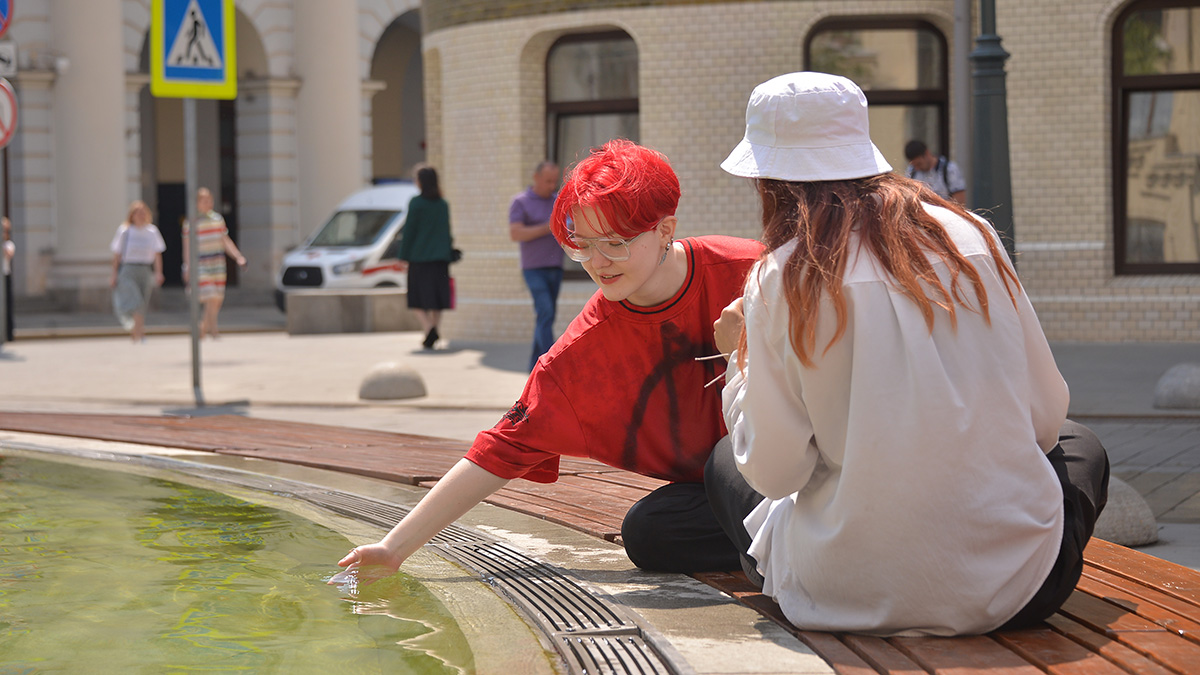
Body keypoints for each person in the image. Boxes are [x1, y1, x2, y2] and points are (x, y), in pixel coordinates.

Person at [708, 72, 1109, 636]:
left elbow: (775, 471)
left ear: (767, 179)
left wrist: (739, 358)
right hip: (1019, 591)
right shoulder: (972, 239)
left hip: (841, 594)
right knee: (1082, 444)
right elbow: (1044, 422)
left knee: (726, 462)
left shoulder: (779, 278)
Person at [337, 140, 763, 582]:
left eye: (615, 243)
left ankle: (787, 557)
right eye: (582, 244)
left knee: (725, 459)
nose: (598, 263)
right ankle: (775, 550)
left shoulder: (751, 272)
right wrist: (392, 548)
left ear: (664, 228)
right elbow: (503, 447)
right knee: (651, 532)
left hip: (798, 469)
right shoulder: (584, 350)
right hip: (722, 490)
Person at [509, 161, 563, 370]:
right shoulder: (520, 202)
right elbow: (516, 233)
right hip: (533, 268)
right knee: (546, 312)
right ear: (536, 178)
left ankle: (534, 366)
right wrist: (548, 227)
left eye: (554, 181)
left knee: (545, 316)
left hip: (556, 266)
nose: (552, 185)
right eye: (548, 180)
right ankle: (552, 363)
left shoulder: (557, 201)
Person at [397, 164, 456, 350]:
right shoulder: (443, 204)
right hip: (440, 260)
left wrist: (403, 255)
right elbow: (446, 232)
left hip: (419, 258)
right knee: (436, 299)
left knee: (417, 299)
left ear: (421, 181)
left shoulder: (416, 203)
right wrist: (449, 252)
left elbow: (410, 232)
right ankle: (433, 330)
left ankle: (429, 328)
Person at [183, 187, 246, 340]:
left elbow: (225, 241)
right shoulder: (190, 222)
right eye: (204, 201)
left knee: (217, 298)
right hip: (201, 263)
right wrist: (187, 266)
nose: (208, 203)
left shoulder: (217, 219)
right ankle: (214, 330)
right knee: (210, 295)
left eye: (210, 200)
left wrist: (238, 257)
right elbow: (187, 247)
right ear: (197, 203)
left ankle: (203, 328)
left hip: (217, 263)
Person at [109, 201, 166, 343]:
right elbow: (117, 255)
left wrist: (159, 272)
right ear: (131, 215)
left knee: (143, 302)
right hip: (128, 269)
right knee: (135, 301)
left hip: (145, 269)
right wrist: (114, 274)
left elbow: (157, 253)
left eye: (143, 212)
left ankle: (137, 333)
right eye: (137, 212)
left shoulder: (152, 231)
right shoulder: (125, 231)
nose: (140, 215)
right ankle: (139, 332)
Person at [904, 139, 966, 204]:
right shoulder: (912, 171)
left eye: (919, 164)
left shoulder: (949, 169)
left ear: (927, 153)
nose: (917, 168)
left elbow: (960, 199)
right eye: (914, 165)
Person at [2, 217, 14, 342]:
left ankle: (8, 333)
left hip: (5, 277)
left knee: (7, 306)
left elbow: (9, 253)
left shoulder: (8, 244)